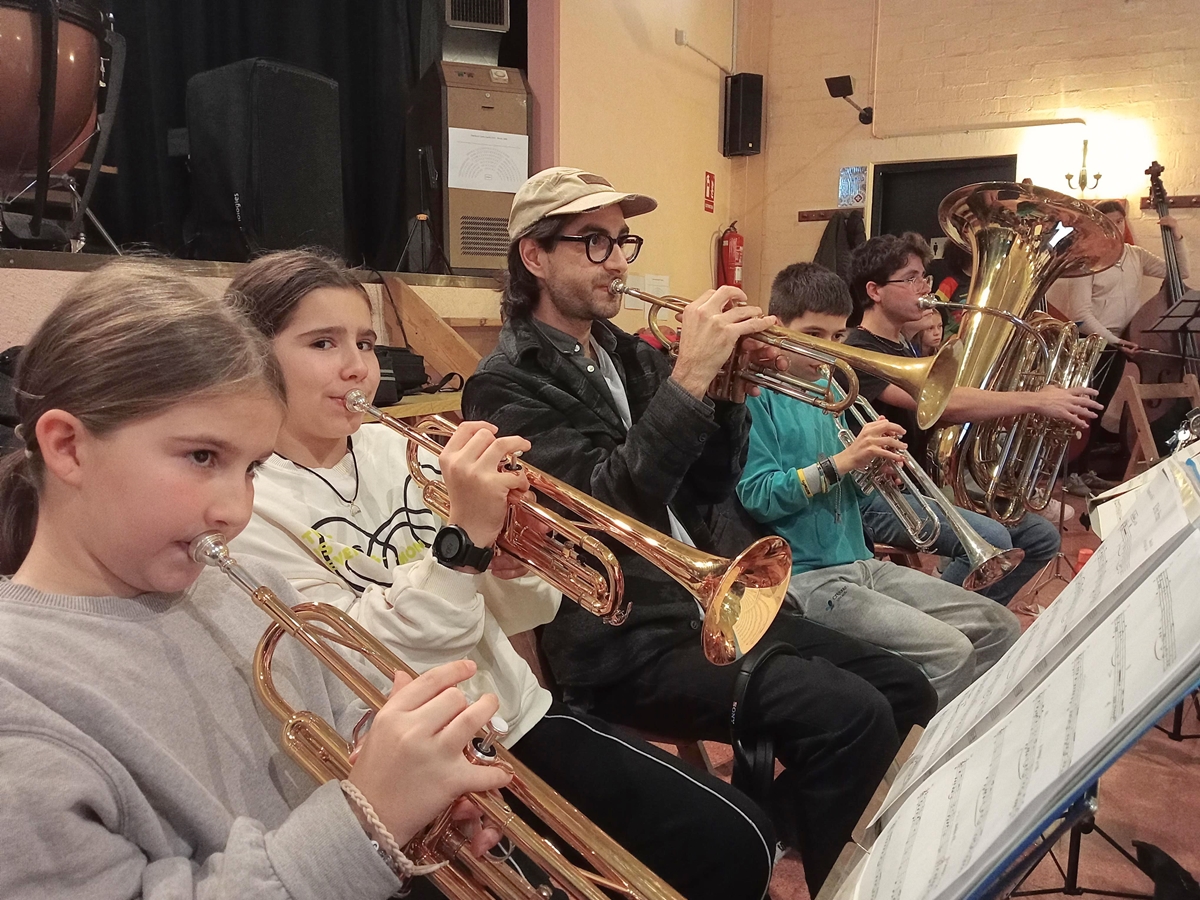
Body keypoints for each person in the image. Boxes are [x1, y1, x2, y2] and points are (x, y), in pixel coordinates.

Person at [225, 249, 778, 900]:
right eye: (323, 343)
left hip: (514, 715)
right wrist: (464, 547)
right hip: (412, 764)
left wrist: (512, 559)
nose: (358, 367)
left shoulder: (398, 446)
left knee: (742, 840)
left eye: (367, 343)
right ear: (252, 357)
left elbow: (530, 610)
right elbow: (358, 662)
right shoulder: (247, 507)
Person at [462, 165, 939, 894]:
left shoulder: (624, 353)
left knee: (905, 692)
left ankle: (781, 834)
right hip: (620, 637)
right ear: (534, 256)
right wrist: (690, 378)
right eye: (593, 242)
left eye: (622, 241)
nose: (619, 261)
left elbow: (710, 485)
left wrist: (729, 391)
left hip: (709, 602)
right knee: (851, 717)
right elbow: (611, 508)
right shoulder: (503, 383)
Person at [0, 261, 512, 899]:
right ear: (69, 447)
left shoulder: (248, 582)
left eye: (251, 468)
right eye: (203, 457)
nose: (235, 509)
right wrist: (366, 818)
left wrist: (420, 794)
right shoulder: (20, 702)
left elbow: (346, 714)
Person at [738, 263, 1020, 707]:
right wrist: (844, 461)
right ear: (777, 328)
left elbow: (847, 489)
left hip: (861, 562)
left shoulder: (831, 390)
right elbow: (757, 495)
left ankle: (949, 738)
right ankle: (902, 762)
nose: (827, 351)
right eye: (813, 334)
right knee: (951, 652)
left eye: (836, 338)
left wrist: (873, 475)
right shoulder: (758, 396)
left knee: (1001, 626)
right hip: (807, 580)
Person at [846, 232, 1102, 606]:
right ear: (875, 290)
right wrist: (1034, 400)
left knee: (1040, 538)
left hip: (916, 485)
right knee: (993, 539)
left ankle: (971, 623)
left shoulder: (907, 345)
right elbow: (940, 404)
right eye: (912, 278)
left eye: (925, 277)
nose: (924, 287)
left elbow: (938, 415)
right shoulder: (860, 350)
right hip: (872, 497)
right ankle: (934, 623)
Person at [1047, 200, 1190, 495]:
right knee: (1081, 413)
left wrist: (1176, 236)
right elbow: (1082, 316)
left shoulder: (1136, 255)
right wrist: (1113, 341)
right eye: (1109, 222)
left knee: (1097, 411)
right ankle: (1066, 474)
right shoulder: (1087, 261)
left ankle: (1083, 471)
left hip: (1122, 342)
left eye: (1120, 221)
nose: (1116, 227)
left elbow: (1180, 272)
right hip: (1095, 344)